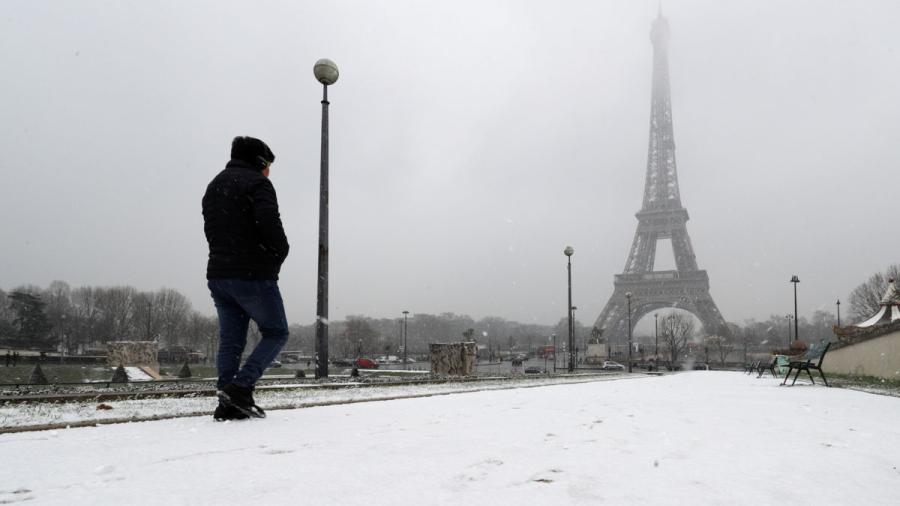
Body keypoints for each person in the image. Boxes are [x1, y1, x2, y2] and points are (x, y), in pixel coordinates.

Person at [203, 136, 290, 421]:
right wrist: (278, 253)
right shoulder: (257, 184)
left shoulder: (214, 185)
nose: (268, 172)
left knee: (231, 341)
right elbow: (270, 224)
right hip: (252, 274)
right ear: (260, 161)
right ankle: (241, 387)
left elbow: (212, 230)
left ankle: (226, 401)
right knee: (276, 331)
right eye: (267, 165)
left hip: (219, 275)